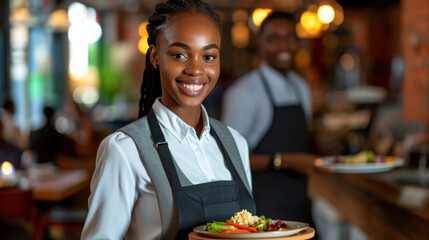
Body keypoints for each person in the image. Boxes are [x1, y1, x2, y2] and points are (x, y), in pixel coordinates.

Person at [81, 0, 255, 239]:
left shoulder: (235, 143)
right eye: (180, 55)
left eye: (208, 56)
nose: (195, 69)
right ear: (155, 56)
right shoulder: (124, 149)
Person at [221, 12, 318, 226]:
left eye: (290, 38)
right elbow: (228, 160)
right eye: (273, 39)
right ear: (260, 44)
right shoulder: (243, 93)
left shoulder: (301, 87)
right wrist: (287, 161)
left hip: (301, 206)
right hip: (262, 212)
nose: (283, 46)